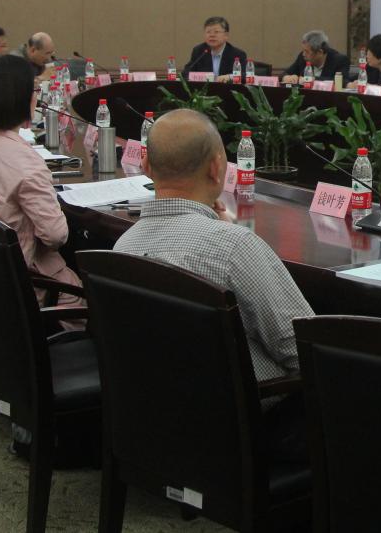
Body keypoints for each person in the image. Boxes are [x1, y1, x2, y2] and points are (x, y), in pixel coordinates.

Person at [113, 108, 314, 383]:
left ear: (146, 166)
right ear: (217, 168)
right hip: (257, 406)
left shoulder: (122, 247)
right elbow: (304, 349)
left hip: (153, 401)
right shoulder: (235, 248)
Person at [0, 54, 84, 318]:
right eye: (34, 91)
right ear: (21, 99)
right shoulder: (25, 162)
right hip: (26, 290)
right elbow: (56, 235)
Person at [186, 16, 248, 81]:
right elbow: (186, 73)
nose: (212, 35)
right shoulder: (199, 51)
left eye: (216, 32)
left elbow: (246, 75)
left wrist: (230, 77)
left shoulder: (237, 54)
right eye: (208, 32)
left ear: (226, 35)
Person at [282, 30, 350, 85]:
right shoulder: (302, 58)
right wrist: (287, 77)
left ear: (320, 52)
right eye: (303, 51)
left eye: (307, 51)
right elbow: (285, 73)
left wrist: (313, 80)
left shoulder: (340, 60)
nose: (303, 54)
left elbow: (343, 82)